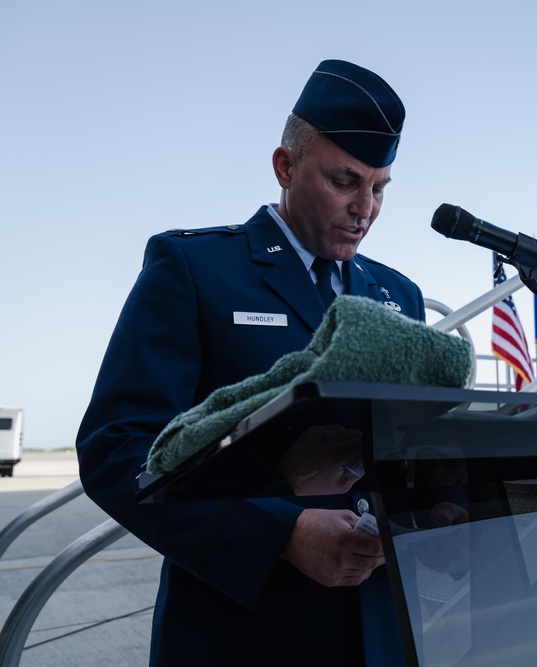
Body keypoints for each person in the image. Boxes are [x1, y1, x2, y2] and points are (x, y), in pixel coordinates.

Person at [76, 60, 417, 665]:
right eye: (345, 181)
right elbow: (117, 450)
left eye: (380, 187)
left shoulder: (399, 296)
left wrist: (441, 502)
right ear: (285, 167)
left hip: (381, 632)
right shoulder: (196, 271)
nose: (365, 208)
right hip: (244, 633)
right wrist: (279, 535)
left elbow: (410, 446)